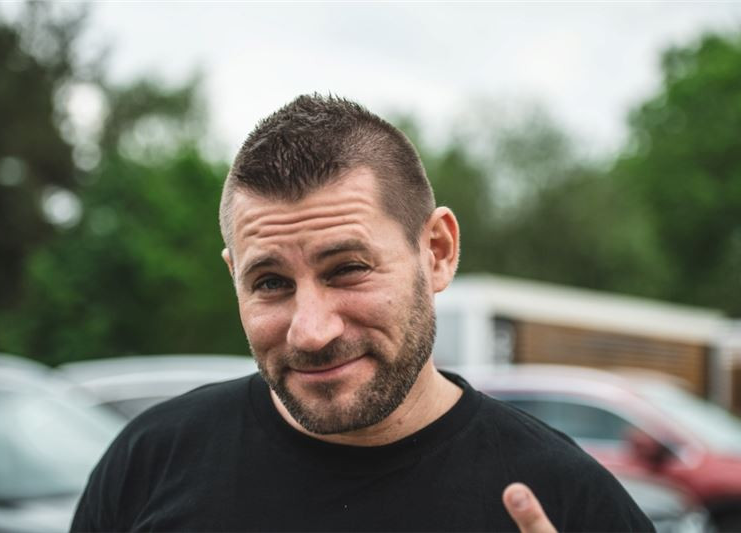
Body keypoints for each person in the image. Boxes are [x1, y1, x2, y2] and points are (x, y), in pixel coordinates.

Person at [71, 95, 653, 532]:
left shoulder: (568, 500)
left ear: (437, 252)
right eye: (270, 283)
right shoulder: (152, 460)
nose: (311, 332)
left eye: (348, 269)